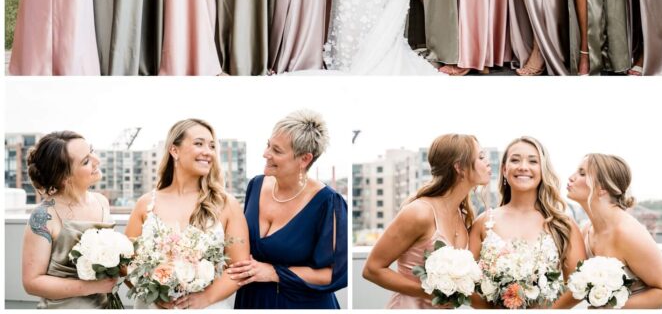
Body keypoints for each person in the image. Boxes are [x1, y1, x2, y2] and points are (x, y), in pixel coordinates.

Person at [126, 119, 249, 309]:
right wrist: (151, 293)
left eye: (212, 146)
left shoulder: (226, 204)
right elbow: (126, 264)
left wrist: (206, 298)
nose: (208, 152)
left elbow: (239, 268)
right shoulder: (145, 205)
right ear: (174, 150)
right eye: (199, 143)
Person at [229, 111, 347, 309]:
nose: (266, 154)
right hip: (252, 301)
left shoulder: (328, 202)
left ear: (304, 159)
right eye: (268, 145)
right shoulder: (255, 185)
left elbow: (333, 274)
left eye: (277, 150)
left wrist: (273, 272)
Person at [363, 134, 491, 307]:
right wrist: (434, 293)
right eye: (481, 157)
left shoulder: (462, 214)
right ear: (459, 167)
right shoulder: (420, 212)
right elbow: (372, 269)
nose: (487, 162)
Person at [469, 136, 585, 310]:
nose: (523, 167)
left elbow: (578, 286)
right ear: (504, 169)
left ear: (543, 169)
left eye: (533, 161)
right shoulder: (484, 222)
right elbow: (466, 283)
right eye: (515, 160)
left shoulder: (563, 224)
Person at [566, 153, 662, 308]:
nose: (571, 177)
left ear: (603, 188)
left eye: (582, 173)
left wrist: (609, 308)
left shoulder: (627, 233)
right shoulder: (587, 230)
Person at [21, 132, 119, 308]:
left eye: (92, 151)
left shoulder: (102, 202)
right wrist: (91, 287)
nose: (97, 161)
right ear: (64, 178)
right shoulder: (43, 216)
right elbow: (32, 282)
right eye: (86, 161)